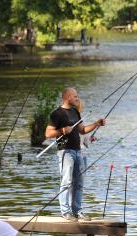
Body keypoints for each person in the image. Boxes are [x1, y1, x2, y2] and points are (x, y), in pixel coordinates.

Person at [45, 87, 105, 222]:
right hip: (65, 152)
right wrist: (62, 130)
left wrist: (96, 124)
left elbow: (83, 130)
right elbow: (48, 133)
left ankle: (77, 211)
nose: (77, 99)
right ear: (67, 97)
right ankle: (65, 211)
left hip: (78, 151)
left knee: (79, 183)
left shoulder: (74, 112)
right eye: (75, 97)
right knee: (66, 181)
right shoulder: (57, 114)